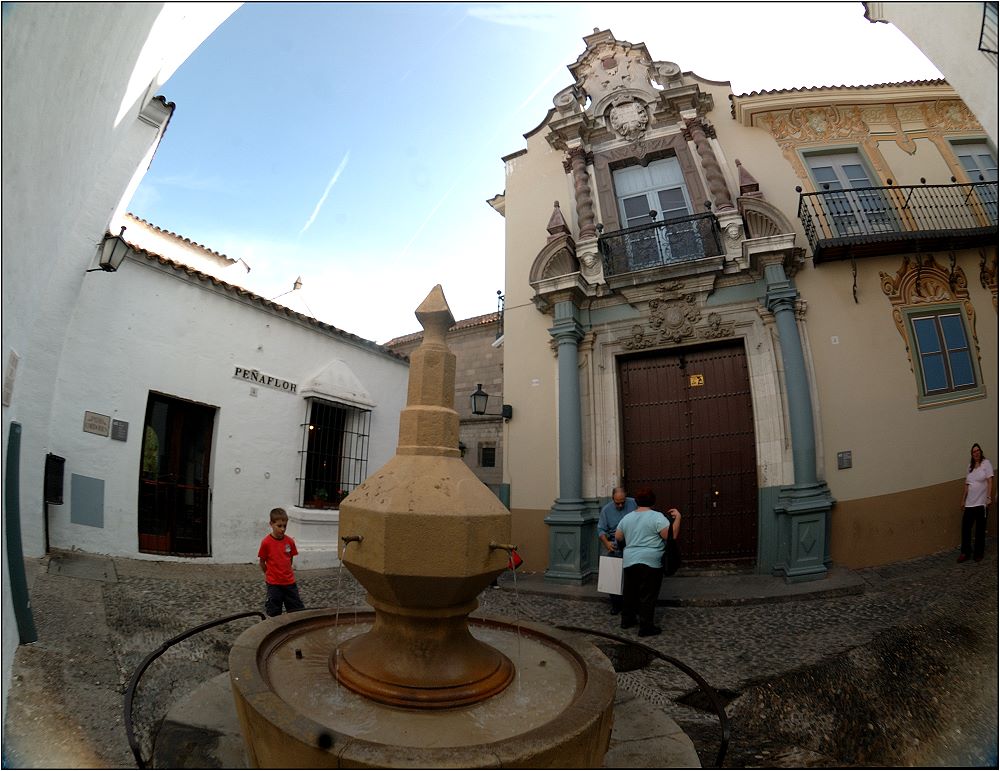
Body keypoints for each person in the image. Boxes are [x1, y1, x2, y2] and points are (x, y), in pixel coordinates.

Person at [615, 487, 681, 637]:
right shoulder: (657, 517)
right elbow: (670, 536)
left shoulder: (627, 518)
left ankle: (627, 620)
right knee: (647, 595)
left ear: (636, 502)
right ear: (653, 501)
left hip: (630, 560)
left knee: (629, 592)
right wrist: (678, 518)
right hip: (651, 562)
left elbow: (618, 537)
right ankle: (645, 627)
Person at [258, 507, 306, 616]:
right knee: (274, 611)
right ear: (271, 524)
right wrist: (270, 574)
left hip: (289, 582)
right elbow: (262, 562)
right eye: (279, 526)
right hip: (274, 584)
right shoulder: (266, 542)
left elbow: (290, 559)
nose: (283, 529)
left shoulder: (290, 541)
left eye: (285, 526)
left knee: (296, 609)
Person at [597, 487, 637, 614]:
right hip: (615, 544)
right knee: (612, 575)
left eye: (622, 502)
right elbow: (601, 529)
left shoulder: (634, 503)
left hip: (633, 542)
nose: (620, 505)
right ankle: (616, 604)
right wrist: (606, 543)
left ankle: (631, 604)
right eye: (617, 502)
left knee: (632, 577)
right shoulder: (606, 510)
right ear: (612, 498)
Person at [959, 443, 994, 563]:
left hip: (981, 503)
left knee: (980, 529)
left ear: (981, 451)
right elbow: (967, 485)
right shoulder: (970, 467)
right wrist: (963, 499)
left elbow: (990, 481)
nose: (976, 453)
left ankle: (979, 553)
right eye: (974, 452)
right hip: (970, 503)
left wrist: (989, 497)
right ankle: (965, 552)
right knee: (966, 528)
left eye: (978, 450)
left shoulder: (986, 463)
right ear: (972, 454)